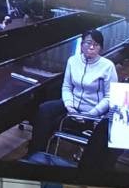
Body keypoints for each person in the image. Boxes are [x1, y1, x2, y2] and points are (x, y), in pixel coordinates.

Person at [33, 30, 119, 169]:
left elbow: (110, 96)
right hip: (72, 105)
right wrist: (69, 106)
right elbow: (67, 87)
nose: (91, 47)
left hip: (92, 111)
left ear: (101, 48)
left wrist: (91, 113)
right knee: (44, 109)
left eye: (96, 44)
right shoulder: (73, 60)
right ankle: (36, 153)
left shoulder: (107, 66)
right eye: (88, 43)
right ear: (81, 44)